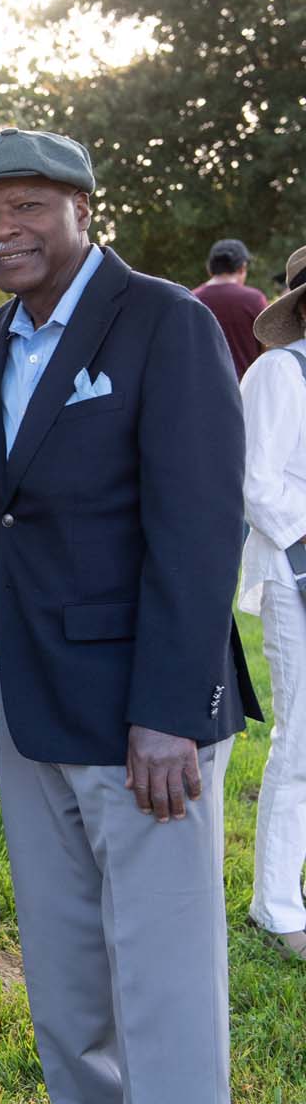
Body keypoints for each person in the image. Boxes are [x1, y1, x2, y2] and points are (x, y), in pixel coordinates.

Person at [0, 126, 261, 1104]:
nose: (3, 230)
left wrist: (170, 712)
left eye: (28, 206)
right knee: (70, 968)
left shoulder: (166, 322)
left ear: (84, 204)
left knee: (163, 977)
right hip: (34, 700)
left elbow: (197, 526)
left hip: (144, 718)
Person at [239, 247, 306, 960]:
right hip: (297, 573)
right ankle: (276, 904)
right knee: (302, 743)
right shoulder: (279, 374)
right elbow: (256, 484)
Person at [192, 237, 267, 378]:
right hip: (245, 390)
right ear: (242, 267)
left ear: (209, 268)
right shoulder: (254, 299)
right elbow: (267, 349)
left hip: (204, 390)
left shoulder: (192, 299)